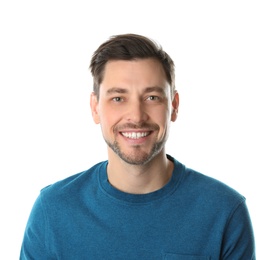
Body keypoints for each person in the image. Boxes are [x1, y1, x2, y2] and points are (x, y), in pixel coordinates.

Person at [20, 33, 256, 259]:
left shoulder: (224, 211)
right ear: (95, 107)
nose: (136, 115)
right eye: (118, 98)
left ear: (173, 106)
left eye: (152, 97)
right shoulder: (53, 210)